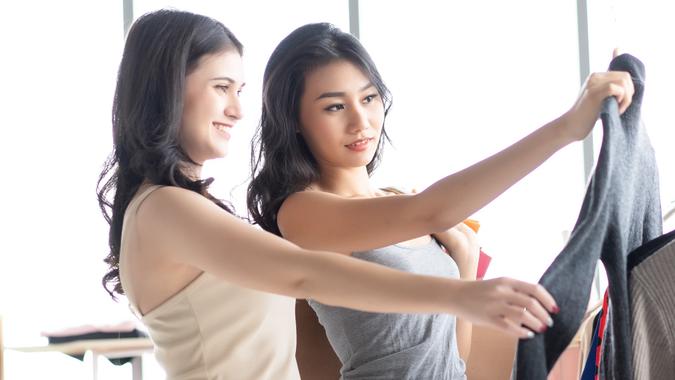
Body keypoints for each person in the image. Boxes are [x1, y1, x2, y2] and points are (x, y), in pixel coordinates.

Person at [98, 9, 559, 380]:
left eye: (239, 90)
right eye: (221, 88)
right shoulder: (165, 208)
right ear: (166, 92)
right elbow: (306, 274)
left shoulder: (179, 208)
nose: (238, 110)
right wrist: (460, 296)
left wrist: (460, 278)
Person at [247, 23, 633, 379]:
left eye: (368, 98)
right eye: (334, 106)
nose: (360, 121)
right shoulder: (301, 213)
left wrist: (465, 259)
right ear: (293, 118)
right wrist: (567, 127)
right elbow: (432, 209)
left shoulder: (396, 203)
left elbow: (454, 357)